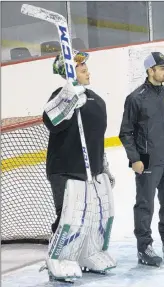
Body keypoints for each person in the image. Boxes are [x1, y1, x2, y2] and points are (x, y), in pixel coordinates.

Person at [42, 50, 116, 281]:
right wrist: (68, 98)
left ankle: (90, 253)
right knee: (70, 217)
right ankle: (60, 258)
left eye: (86, 69)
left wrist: (103, 167)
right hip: (65, 169)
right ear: (69, 73)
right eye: (82, 69)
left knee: (96, 215)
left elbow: (98, 140)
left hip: (91, 172)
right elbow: (50, 121)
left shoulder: (96, 100)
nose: (87, 71)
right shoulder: (60, 96)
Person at [119, 52, 164, 267]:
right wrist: (135, 159)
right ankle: (144, 247)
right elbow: (126, 133)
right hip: (147, 160)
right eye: (161, 67)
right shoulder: (135, 98)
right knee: (145, 205)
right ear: (150, 71)